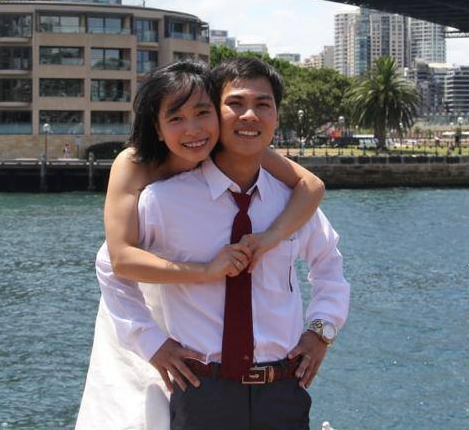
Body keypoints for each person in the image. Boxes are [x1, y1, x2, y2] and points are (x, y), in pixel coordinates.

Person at [95, 57, 349, 429]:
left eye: (263, 105)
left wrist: (322, 331)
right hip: (201, 390)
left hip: (284, 389)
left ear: (277, 116)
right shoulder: (160, 198)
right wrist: (152, 344)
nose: (249, 116)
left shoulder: (290, 200)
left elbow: (328, 262)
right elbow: (113, 264)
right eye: (235, 104)